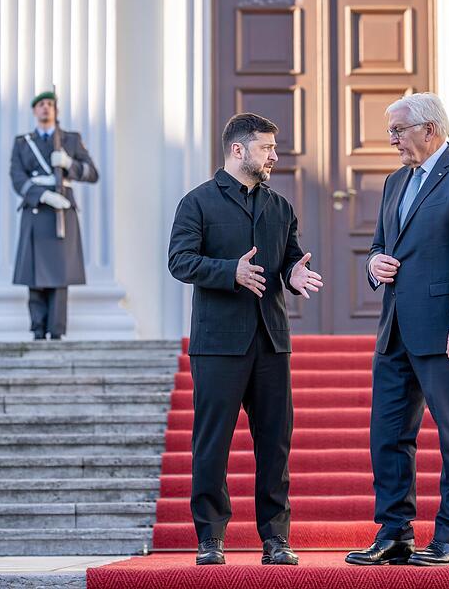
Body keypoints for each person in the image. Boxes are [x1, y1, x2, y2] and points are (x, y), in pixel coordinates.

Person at [346, 93, 449, 567]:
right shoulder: (395, 182)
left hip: (447, 332)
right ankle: (394, 534)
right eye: (390, 131)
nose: (391, 140)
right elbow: (379, 246)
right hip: (395, 330)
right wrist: (374, 264)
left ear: (429, 129)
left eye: (398, 130)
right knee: (388, 435)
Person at [168, 113, 323, 566]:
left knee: (275, 444)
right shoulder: (197, 203)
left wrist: (294, 275)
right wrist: (229, 272)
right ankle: (210, 538)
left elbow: (290, 261)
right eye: (266, 147)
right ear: (238, 150)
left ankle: (276, 539)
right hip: (218, 343)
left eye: (274, 148)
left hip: (272, 341)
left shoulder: (281, 207)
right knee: (212, 443)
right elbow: (179, 261)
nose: (275, 156)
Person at [11, 91, 99, 340]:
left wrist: (69, 164)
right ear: (34, 110)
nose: (45, 108)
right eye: (41, 104)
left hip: (62, 214)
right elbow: (17, 177)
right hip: (37, 211)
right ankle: (38, 330)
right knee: (34, 275)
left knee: (60, 274)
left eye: (50, 104)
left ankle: (57, 331)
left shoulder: (71, 139)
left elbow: (92, 173)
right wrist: (42, 195)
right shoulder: (23, 143)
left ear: (56, 110)